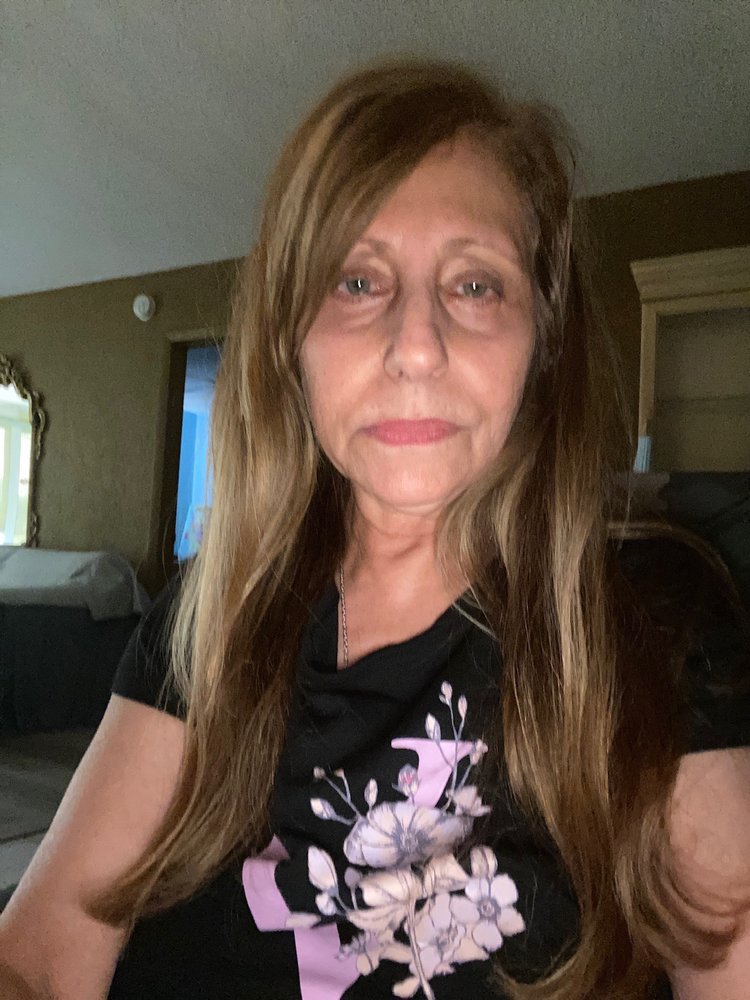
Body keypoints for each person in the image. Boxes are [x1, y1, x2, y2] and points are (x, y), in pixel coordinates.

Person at [0, 59, 748, 1000]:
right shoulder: (213, 613)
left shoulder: (654, 620)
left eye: (475, 285)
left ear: (542, 343)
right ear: (291, 340)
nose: (417, 346)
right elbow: (38, 958)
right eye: (357, 281)